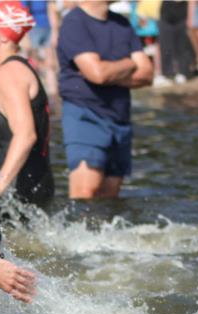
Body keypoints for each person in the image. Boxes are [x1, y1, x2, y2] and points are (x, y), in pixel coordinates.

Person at [58, 0, 153, 199]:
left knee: (109, 199)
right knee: (86, 193)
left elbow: (147, 74)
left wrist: (109, 73)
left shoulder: (122, 23)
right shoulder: (75, 22)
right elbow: (97, 73)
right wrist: (129, 63)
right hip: (85, 113)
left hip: (119, 119)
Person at [0, 1, 53, 218]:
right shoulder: (12, 70)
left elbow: (25, 135)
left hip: (18, 190)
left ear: (5, 35)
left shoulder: (10, 74)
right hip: (26, 185)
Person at [158, 0, 193, 84]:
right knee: (165, 45)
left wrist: (191, 17)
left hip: (182, 8)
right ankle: (167, 74)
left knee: (182, 45)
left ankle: (183, 72)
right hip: (166, 9)